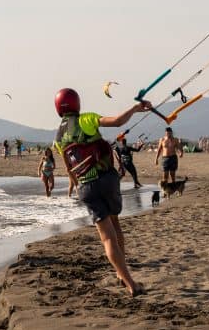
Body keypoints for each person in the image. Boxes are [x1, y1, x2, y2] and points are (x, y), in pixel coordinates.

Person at [53, 88, 151, 296]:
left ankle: (127, 280)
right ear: (76, 104)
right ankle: (124, 278)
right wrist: (135, 107)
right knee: (115, 225)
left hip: (86, 187)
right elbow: (117, 121)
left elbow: (69, 168)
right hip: (106, 180)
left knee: (107, 238)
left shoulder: (58, 138)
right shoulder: (86, 119)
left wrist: (76, 186)